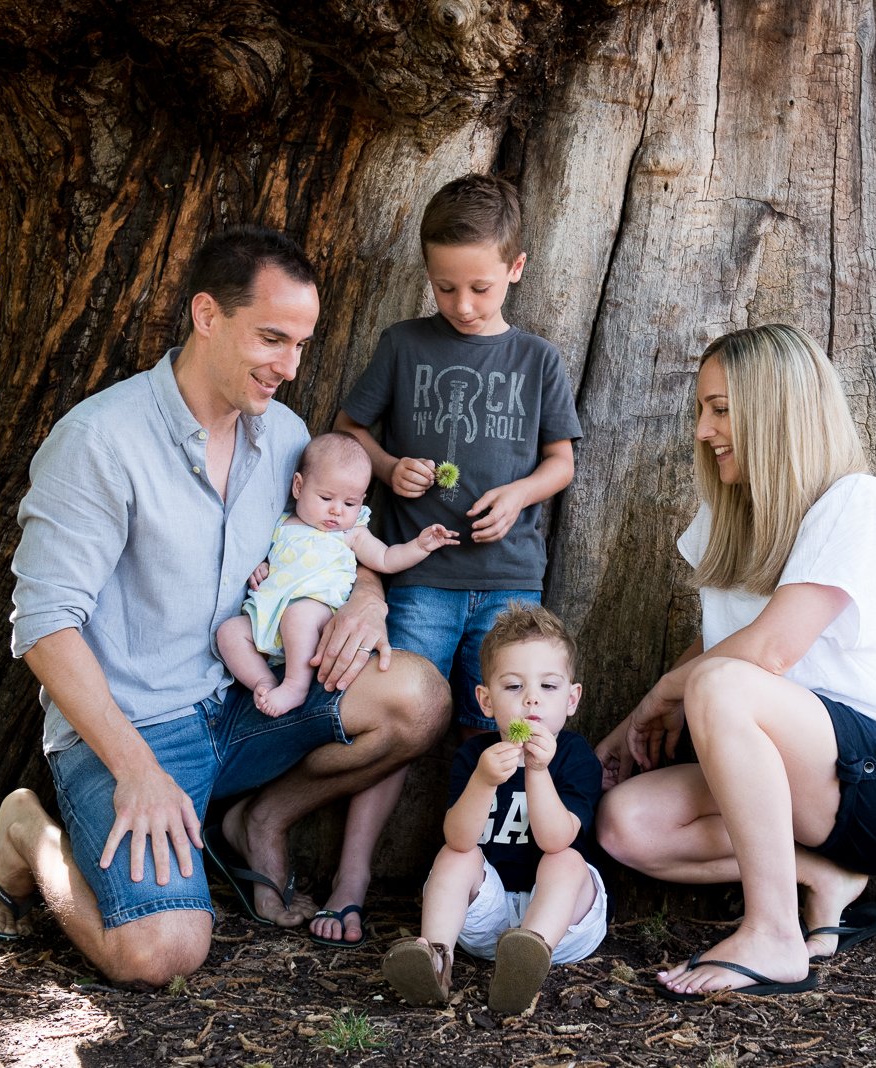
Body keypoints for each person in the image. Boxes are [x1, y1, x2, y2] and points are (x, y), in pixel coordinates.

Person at [0, 226, 448, 989]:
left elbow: (338, 537)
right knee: (162, 953)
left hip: (249, 701)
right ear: (207, 315)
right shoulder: (99, 441)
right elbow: (44, 627)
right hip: (135, 729)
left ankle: (263, 820)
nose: (289, 367)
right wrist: (137, 768)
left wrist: (370, 598)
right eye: (272, 339)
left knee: (418, 698)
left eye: (301, 345)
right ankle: (22, 831)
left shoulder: (284, 437)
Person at [594, 324, 876, 1000]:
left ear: (776, 408)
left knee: (727, 683)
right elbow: (723, 640)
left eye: (721, 409)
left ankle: (775, 936)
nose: (703, 429)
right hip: (803, 792)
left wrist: (666, 695)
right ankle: (822, 877)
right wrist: (654, 703)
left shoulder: (856, 500)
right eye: (702, 409)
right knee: (626, 825)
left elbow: (771, 651)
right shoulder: (731, 514)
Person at [317, 173, 583, 948]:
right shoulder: (404, 344)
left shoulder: (537, 359)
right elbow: (348, 432)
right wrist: (389, 462)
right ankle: (352, 879)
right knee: (403, 726)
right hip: (421, 582)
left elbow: (560, 462)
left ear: (516, 268)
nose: (462, 304)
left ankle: (494, 893)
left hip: (507, 586)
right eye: (445, 287)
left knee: (496, 736)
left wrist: (520, 495)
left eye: (479, 286)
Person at [380, 603, 606, 1015]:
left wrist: (538, 772)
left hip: (564, 922)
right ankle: (435, 958)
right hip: (489, 912)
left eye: (549, 687)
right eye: (514, 687)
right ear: (485, 700)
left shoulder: (575, 756)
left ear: (572, 699)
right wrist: (484, 781)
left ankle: (528, 960)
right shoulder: (475, 757)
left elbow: (556, 839)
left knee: (568, 861)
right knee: (454, 856)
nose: (532, 699)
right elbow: (459, 838)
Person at [217, 431, 458, 717]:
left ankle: (296, 686)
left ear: (362, 501)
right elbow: (273, 558)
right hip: (268, 616)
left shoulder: (350, 533)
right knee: (229, 632)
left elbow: (385, 558)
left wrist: (420, 545)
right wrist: (263, 566)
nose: (335, 511)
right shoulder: (283, 524)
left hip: (318, 614)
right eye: (326, 497)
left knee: (299, 615)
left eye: (349, 504)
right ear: (298, 486)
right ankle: (264, 680)